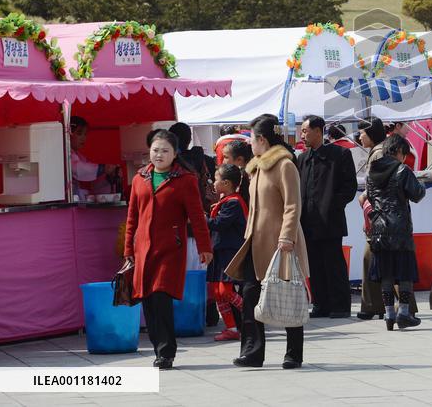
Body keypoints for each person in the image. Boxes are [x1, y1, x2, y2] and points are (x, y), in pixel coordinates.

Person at [124, 130, 213, 369]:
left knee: (161, 296)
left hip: (170, 249)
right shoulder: (139, 178)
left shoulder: (185, 180)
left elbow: (196, 216)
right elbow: (132, 216)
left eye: (165, 150)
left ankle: (166, 352)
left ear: (175, 154)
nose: (159, 154)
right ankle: (158, 347)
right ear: (149, 152)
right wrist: (128, 250)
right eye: (155, 150)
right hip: (143, 249)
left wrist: (205, 247)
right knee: (148, 301)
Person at [226, 114, 309, 370]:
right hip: (255, 242)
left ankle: (293, 353)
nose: (249, 143)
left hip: (282, 243)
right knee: (250, 295)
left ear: (261, 139)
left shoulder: (284, 165)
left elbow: (293, 205)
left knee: (288, 295)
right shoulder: (257, 168)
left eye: (251, 138)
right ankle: (252, 351)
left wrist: (286, 237)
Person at [362, 134, 426, 330]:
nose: (404, 158)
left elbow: (370, 198)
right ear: (398, 151)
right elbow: (417, 194)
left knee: (386, 273)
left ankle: (389, 315)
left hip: (378, 229)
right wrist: (420, 184)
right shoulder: (402, 170)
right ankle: (404, 313)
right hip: (399, 229)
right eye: (404, 154)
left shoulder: (372, 171)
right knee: (404, 272)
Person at [298, 115, 358, 319]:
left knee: (334, 264)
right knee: (314, 265)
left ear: (318, 131)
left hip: (330, 220)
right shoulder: (302, 159)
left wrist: (332, 205)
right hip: (307, 221)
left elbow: (349, 187)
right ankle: (320, 304)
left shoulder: (339, 154)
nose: (302, 135)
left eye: (305, 131)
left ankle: (340, 306)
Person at [207, 164, 248, 342]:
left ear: (225, 183)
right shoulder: (226, 201)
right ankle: (231, 328)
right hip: (220, 250)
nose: (213, 183)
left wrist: (204, 219)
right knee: (217, 291)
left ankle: (252, 312)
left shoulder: (234, 203)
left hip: (229, 252)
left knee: (225, 290)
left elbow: (220, 224)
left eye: (216, 179)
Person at [69, 116, 120, 200]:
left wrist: (108, 176)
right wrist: (103, 168)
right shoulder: (64, 154)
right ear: (69, 135)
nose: (83, 138)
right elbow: (79, 169)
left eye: (85, 134)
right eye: (79, 133)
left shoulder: (80, 156)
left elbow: (94, 182)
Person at [222, 139, 253, 204]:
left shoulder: (252, 177)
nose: (223, 161)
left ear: (239, 159)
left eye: (226, 157)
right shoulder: (242, 173)